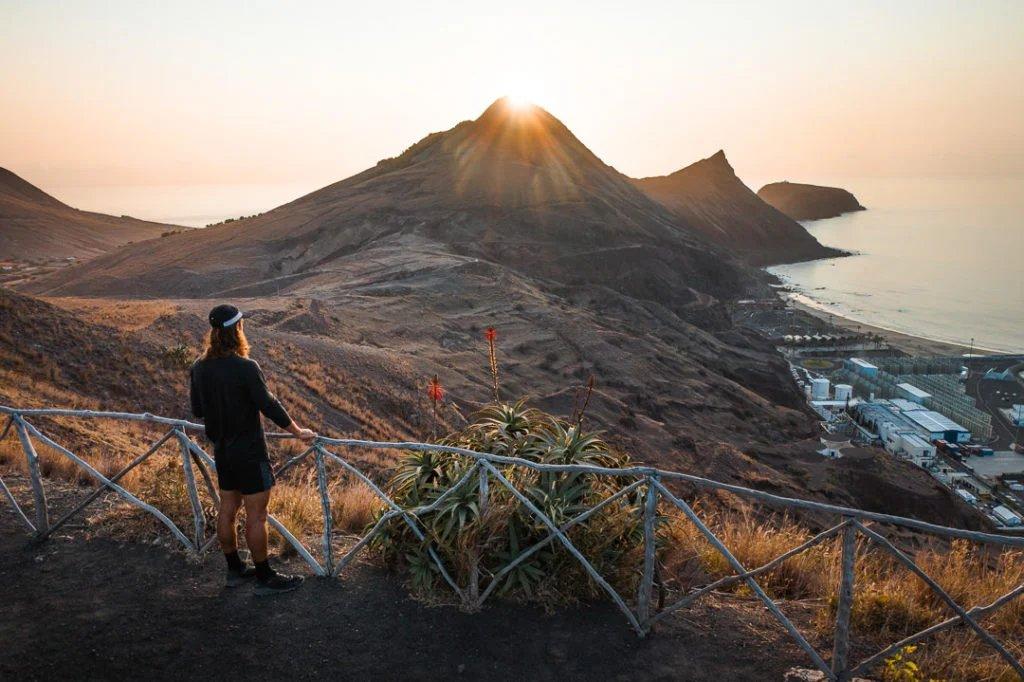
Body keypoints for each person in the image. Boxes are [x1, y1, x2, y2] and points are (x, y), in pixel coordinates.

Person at [189, 304, 316, 595]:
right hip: (249, 452)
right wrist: (298, 432)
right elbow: (269, 405)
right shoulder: (246, 367)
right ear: (238, 330)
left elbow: (197, 410)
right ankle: (264, 577)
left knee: (228, 510)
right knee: (257, 515)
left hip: (222, 450)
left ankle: (234, 570)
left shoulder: (198, 367)